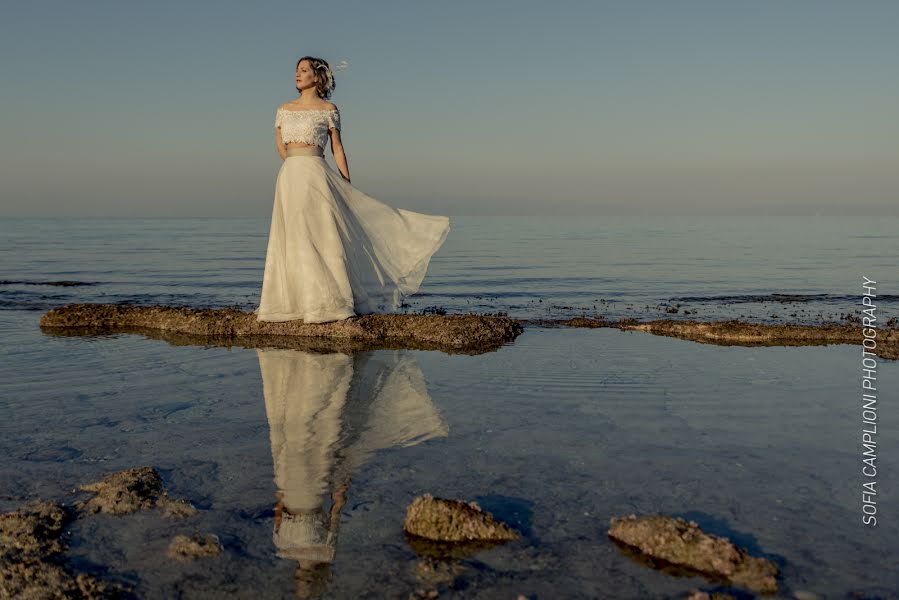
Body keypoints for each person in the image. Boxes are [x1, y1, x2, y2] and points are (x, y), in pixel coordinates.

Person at [255, 56, 451, 324]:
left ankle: (327, 302)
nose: (297, 75)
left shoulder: (328, 109)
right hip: (290, 175)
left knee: (322, 234)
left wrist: (345, 185)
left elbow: (337, 148)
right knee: (292, 234)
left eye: (303, 70)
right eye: (296, 70)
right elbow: (280, 146)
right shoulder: (284, 109)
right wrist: (294, 168)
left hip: (317, 173)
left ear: (318, 76)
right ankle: (293, 303)